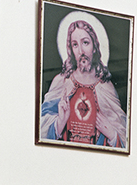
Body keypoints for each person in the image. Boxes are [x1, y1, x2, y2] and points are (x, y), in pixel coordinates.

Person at [39, 13, 127, 149]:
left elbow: (124, 136)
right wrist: (60, 122)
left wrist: (112, 133)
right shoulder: (61, 82)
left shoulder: (106, 87)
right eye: (75, 45)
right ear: (70, 49)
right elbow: (41, 129)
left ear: (95, 46)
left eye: (85, 43)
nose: (81, 51)